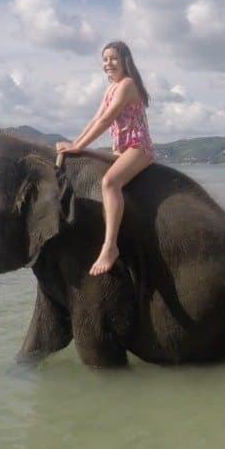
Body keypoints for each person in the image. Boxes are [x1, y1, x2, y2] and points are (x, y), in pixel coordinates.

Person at [57, 41, 154, 276]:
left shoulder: (127, 85)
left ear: (125, 61)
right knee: (83, 158)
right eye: (104, 59)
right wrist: (74, 145)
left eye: (113, 58)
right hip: (119, 150)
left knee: (110, 183)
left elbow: (105, 121)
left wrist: (79, 145)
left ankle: (110, 247)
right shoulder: (111, 88)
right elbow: (95, 119)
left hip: (138, 149)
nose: (107, 64)